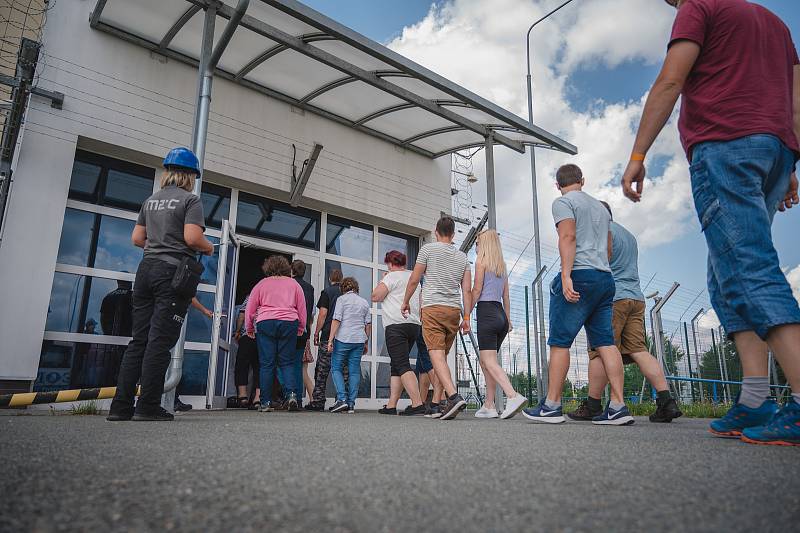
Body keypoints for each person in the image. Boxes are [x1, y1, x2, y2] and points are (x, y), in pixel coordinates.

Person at [621, 0, 800, 445]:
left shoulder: (699, 7)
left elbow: (671, 80)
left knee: (748, 268)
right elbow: (794, 98)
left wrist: (639, 154)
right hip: (774, 148)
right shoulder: (775, 23)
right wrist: (789, 162)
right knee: (724, 277)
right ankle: (756, 399)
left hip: (726, 145)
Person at [107, 147, 213, 422]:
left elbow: (137, 238)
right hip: (172, 273)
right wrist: (209, 246)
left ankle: (120, 407)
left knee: (138, 340)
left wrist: (159, 243)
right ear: (190, 175)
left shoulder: (150, 201)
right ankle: (148, 406)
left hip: (146, 270)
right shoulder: (191, 201)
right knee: (160, 342)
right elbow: (192, 238)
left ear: (167, 172)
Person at [523, 164, 633, 426]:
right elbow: (608, 249)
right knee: (606, 342)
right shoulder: (600, 208)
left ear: (557, 184)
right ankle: (618, 405)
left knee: (560, 341)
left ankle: (551, 405)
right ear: (582, 180)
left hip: (580, 275)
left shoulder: (563, 202)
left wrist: (565, 275)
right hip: (605, 278)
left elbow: (568, 236)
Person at [569, 202, 681, 423]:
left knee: (600, 350)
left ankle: (593, 405)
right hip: (635, 298)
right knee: (639, 350)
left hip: (612, 299)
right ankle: (666, 401)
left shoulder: (600, 233)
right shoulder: (628, 235)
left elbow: (597, 266)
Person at [402, 216, 471, 421]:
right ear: (453, 233)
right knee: (441, 358)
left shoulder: (427, 250)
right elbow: (466, 290)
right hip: (453, 311)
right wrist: (466, 317)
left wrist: (405, 301)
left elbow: (414, 279)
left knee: (436, 356)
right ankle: (435, 404)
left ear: (435, 231)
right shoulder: (462, 257)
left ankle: (453, 395)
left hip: (432, 307)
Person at [470, 229, 527, 420]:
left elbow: (476, 290)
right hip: (500, 315)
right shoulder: (501, 266)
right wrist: (508, 320)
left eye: (477, 243)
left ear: (483, 244)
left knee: (489, 361)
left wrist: (466, 314)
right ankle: (489, 404)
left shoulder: (480, 262)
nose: (476, 247)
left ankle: (512, 396)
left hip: (486, 312)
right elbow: (506, 296)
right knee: (486, 362)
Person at [245, 255, 307, 412]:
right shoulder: (294, 284)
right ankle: (292, 395)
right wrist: (301, 326)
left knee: (267, 363)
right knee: (287, 362)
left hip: (266, 322)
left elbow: (250, 308)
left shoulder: (261, 284)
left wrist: (249, 328)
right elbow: (302, 307)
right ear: (286, 268)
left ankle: (265, 402)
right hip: (289, 322)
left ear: (268, 268)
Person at [372, 250, 427, 416]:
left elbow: (375, 296)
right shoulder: (413, 276)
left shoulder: (391, 276)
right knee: (396, 365)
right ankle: (391, 405)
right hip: (413, 325)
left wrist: (383, 279)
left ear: (389, 263)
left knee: (401, 364)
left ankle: (417, 404)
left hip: (396, 326)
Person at [327, 277, 371, 413]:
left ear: (343, 288)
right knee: (354, 371)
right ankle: (351, 404)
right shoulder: (364, 302)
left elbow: (336, 320)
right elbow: (368, 324)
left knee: (336, 368)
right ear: (356, 288)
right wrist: (366, 342)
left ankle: (342, 399)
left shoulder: (341, 300)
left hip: (343, 339)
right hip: (358, 340)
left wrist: (330, 340)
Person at [305, 269, 346, 411]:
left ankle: (318, 402)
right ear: (341, 279)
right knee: (342, 370)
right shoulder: (346, 294)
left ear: (330, 279)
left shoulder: (327, 292)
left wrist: (316, 332)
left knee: (322, 370)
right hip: (343, 337)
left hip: (328, 335)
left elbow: (322, 314)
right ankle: (341, 401)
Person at [291, 260, 315, 406]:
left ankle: (290, 395)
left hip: (290, 327)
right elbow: (311, 313)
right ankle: (298, 399)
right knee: (299, 366)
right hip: (304, 329)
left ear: (291, 270)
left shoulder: (289, 284)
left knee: (282, 364)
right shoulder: (310, 288)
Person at [234, 293, 260, 409]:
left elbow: (242, 314)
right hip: (264, 336)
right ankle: (257, 398)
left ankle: (242, 396)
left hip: (248, 335)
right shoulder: (271, 297)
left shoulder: (251, 296)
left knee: (242, 364)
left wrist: (238, 331)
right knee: (260, 367)